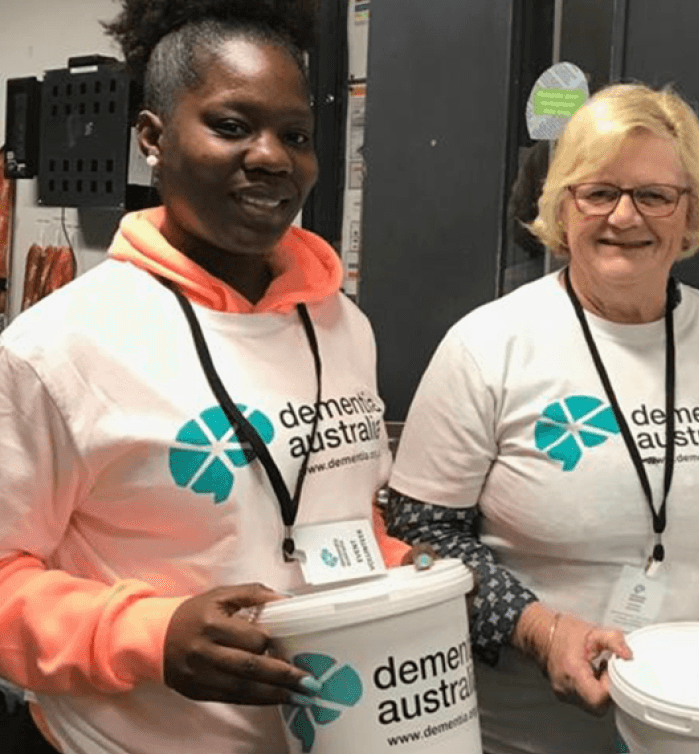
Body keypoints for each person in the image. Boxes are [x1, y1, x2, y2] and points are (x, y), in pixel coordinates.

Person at [0, 1, 401, 752]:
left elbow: (343, 514)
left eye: (296, 135)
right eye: (231, 125)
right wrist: (152, 636)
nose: (273, 157)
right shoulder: (58, 348)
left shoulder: (342, 326)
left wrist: (406, 572)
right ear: (152, 137)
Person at [386, 83, 699, 754]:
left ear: (690, 214)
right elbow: (419, 533)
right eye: (598, 192)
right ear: (562, 207)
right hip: (522, 733)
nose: (625, 217)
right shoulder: (489, 345)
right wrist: (537, 628)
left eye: (654, 195)